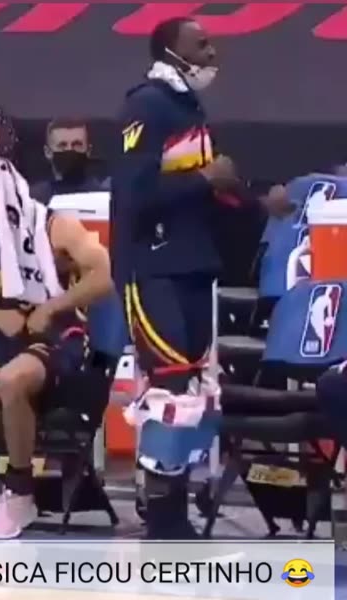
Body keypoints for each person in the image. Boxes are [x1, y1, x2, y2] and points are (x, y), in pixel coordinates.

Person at [111, 17, 290, 539]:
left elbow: (205, 194)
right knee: (169, 392)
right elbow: (134, 195)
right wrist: (204, 178)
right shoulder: (145, 106)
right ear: (171, 52)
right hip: (152, 270)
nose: (213, 52)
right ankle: (161, 524)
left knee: (193, 394)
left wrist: (257, 203)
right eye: (202, 44)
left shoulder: (190, 110)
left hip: (192, 267)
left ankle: (174, 518)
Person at [0, 155, 113, 539]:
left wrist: (51, 307)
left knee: (12, 379)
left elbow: (105, 274)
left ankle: (20, 493)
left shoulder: (53, 225)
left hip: (55, 337)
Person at [30, 118, 109, 206]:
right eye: (62, 145)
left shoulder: (104, 196)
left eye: (77, 145)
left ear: (88, 151)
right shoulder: (32, 199)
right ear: (48, 152)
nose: (69, 150)